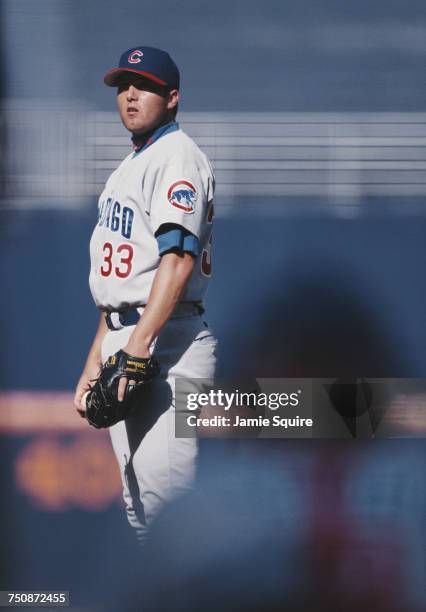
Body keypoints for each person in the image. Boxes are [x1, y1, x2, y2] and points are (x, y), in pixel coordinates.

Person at [73, 46, 217, 543]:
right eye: (123, 86)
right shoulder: (130, 165)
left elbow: (176, 264)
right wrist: (99, 355)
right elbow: (120, 284)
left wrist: (135, 348)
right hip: (128, 336)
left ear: (172, 97)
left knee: (169, 514)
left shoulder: (177, 158)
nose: (130, 95)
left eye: (145, 86)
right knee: (139, 509)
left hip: (165, 344)